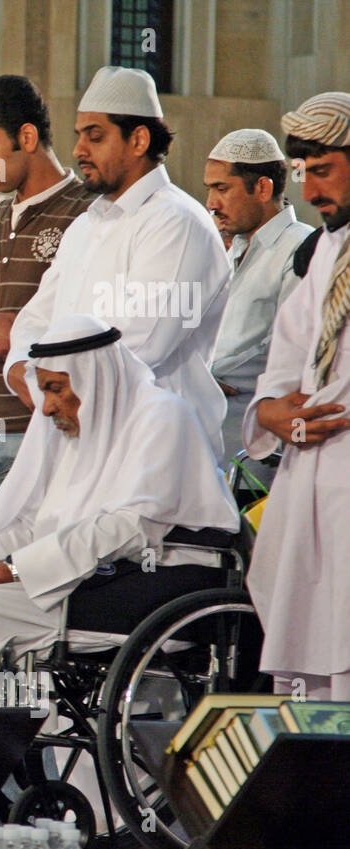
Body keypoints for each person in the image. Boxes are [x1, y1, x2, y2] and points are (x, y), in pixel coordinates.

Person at [0, 314, 238, 695]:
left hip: (138, 583)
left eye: (56, 389)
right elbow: (32, 521)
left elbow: (132, 527)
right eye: (44, 391)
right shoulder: (76, 430)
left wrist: (7, 570)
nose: (46, 408)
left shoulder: (163, 414)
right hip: (72, 580)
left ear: (94, 380)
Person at [5, 66, 231, 460]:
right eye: (78, 136)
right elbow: (36, 321)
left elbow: (145, 341)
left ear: (139, 139)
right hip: (76, 441)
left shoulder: (177, 221)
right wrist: (23, 371)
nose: (78, 151)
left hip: (153, 449)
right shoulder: (84, 227)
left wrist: (53, 382)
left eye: (95, 137)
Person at [0, 75, 94, 522]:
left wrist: (20, 333)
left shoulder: (85, 211)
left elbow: (85, 320)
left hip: (39, 431)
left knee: (29, 578)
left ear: (26, 137)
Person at [244, 92, 350, 700]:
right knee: (308, 683)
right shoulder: (330, 250)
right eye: (302, 171)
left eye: (323, 169)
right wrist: (270, 412)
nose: (309, 192)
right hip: (308, 487)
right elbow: (285, 359)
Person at [204, 129, 314, 464]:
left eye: (221, 188)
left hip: (256, 449)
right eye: (209, 189)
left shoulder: (300, 247)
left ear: (263, 188)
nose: (210, 203)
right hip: (208, 437)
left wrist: (203, 374)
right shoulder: (225, 250)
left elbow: (287, 346)